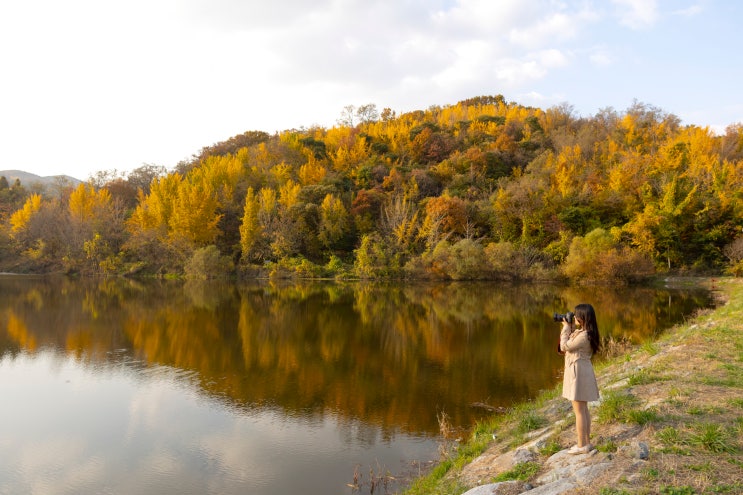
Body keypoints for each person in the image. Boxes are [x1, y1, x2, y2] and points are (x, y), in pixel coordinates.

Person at [559, 303, 601, 454]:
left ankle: (581, 445)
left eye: (576, 315)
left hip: (578, 373)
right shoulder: (586, 332)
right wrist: (570, 328)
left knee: (579, 411)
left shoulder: (583, 336)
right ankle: (586, 443)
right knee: (583, 410)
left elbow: (565, 346)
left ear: (583, 318)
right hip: (582, 370)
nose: (574, 317)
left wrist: (565, 328)